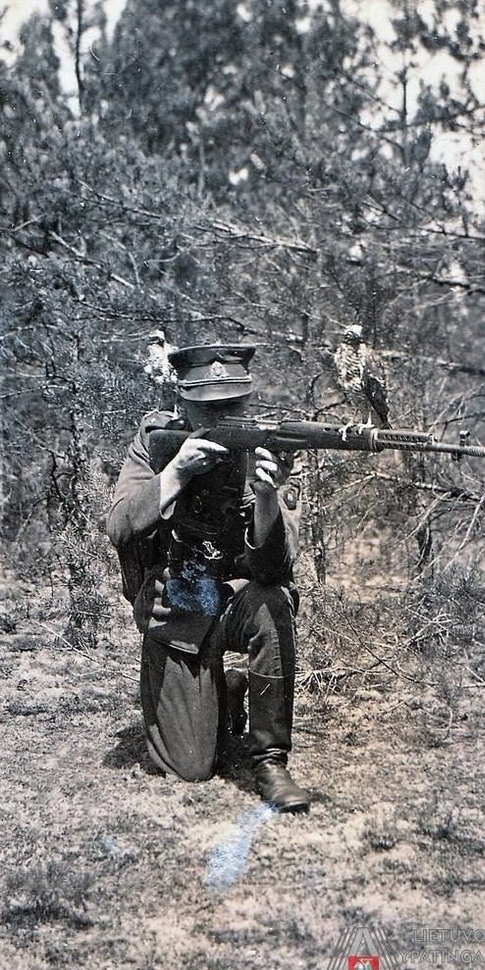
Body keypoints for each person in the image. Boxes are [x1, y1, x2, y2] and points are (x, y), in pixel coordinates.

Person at [106, 343, 310, 814]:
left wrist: (265, 497)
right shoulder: (156, 439)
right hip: (177, 603)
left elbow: (276, 570)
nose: (221, 416)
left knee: (272, 601)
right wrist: (175, 472)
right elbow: (119, 526)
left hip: (237, 598)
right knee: (191, 766)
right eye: (207, 408)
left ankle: (270, 761)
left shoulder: (269, 447)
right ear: (182, 402)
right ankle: (229, 690)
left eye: (232, 405)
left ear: (248, 401)